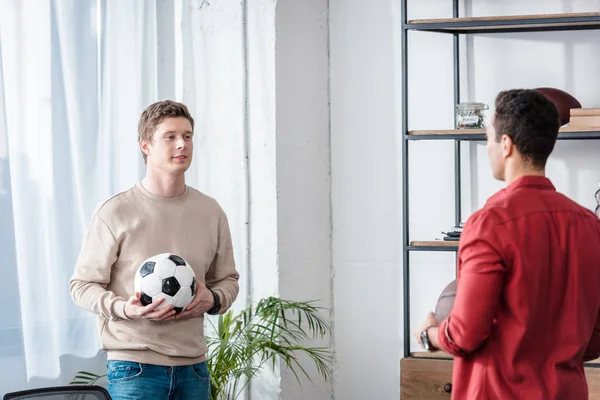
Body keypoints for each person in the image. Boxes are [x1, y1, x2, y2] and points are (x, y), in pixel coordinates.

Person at [415, 89, 600, 399]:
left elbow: (465, 335)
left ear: (506, 144)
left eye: (488, 139)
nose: (488, 149)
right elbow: (595, 340)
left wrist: (429, 333)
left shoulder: (488, 224)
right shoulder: (590, 225)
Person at [70, 100, 240, 400]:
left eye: (187, 136)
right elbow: (81, 286)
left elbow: (228, 280)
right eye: (170, 136)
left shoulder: (211, 212)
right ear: (146, 146)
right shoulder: (115, 212)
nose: (182, 145)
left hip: (195, 368)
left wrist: (212, 299)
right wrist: (125, 308)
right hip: (135, 368)